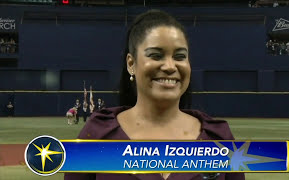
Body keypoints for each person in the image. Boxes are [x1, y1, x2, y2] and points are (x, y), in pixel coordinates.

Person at [65, 10, 245, 180]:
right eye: (156, 55)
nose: (169, 66)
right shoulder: (96, 135)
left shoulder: (219, 138)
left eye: (180, 56)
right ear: (131, 63)